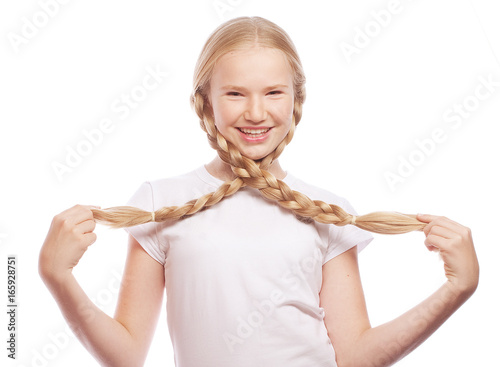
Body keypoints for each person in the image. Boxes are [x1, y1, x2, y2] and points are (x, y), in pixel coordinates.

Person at [39, 16, 479, 367]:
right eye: (234, 93)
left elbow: (356, 356)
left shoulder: (329, 213)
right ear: (205, 100)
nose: (255, 112)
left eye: (273, 93)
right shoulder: (159, 204)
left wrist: (456, 289)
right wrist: (57, 277)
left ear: (295, 100)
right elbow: (127, 355)